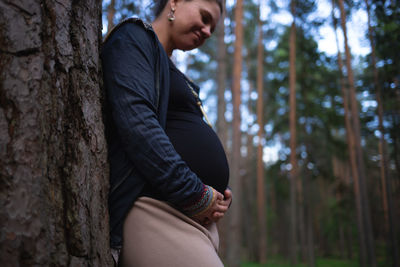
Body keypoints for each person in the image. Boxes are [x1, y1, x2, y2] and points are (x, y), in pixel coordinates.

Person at [101, 0, 231, 265]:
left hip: (195, 221)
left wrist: (219, 193)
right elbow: (138, 125)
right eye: (204, 17)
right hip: (155, 213)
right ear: (174, 3)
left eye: (212, 28)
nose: (207, 31)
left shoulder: (177, 75)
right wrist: (195, 193)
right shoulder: (134, 38)